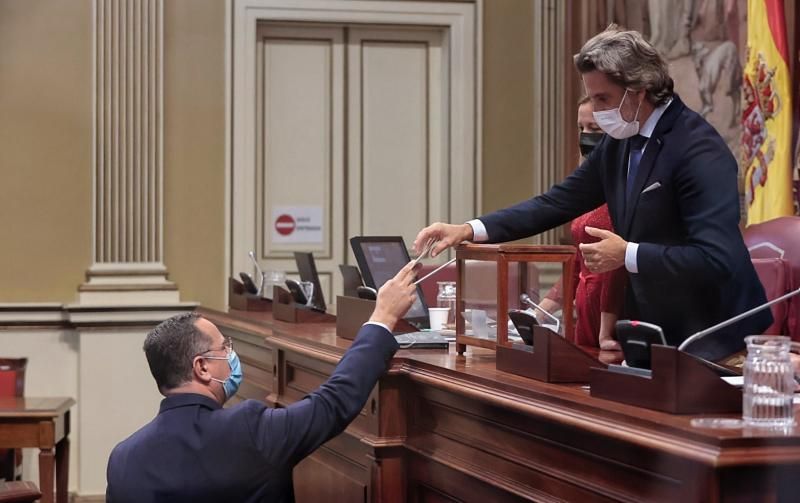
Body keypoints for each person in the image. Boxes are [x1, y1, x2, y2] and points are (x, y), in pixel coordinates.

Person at [414, 25, 770, 361]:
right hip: (659, 332)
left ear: (639, 89)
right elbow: (556, 201)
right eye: (592, 98)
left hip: (715, 336)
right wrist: (468, 229)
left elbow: (715, 259)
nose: (598, 112)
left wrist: (627, 254)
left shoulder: (698, 150)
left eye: (604, 98)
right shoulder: (622, 140)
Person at [106, 262, 419, 503]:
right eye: (224, 347)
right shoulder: (249, 430)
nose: (231, 354)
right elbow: (333, 403)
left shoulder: (123, 458)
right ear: (201, 368)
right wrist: (382, 319)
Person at [536, 96, 625, 350]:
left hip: (611, 307)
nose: (586, 136)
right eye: (582, 128)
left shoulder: (622, 188)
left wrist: (606, 329)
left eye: (595, 129)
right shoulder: (585, 185)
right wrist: (540, 312)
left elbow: (616, 268)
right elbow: (577, 262)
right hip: (586, 304)